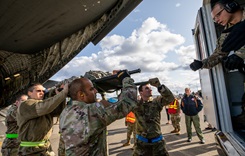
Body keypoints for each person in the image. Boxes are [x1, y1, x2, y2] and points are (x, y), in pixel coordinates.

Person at [59, 70, 138, 156]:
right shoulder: (92, 111)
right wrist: (126, 79)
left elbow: (63, 145)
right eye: (92, 89)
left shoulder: (65, 112)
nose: (96, 91)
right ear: (81, 94)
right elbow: (128, 102)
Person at [189, 0, 245, 71]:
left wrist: (240, 54)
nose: (217, 20)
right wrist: (202, 63)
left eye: (218, 15)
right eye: (214, 19)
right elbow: (219, 54)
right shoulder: (226, 33)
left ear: (231, 6)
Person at [17, 83, 68, 156]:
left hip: (45, 148)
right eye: (38, 91)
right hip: (30, 151)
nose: (42, 93)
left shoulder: (43, 105)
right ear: (29, 93)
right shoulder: (25, 104)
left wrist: (58, 94)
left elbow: (58, 111)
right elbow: (45, 106)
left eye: (43, 91)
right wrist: (63, 93)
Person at [133, 78, 174, 156]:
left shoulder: (156, 102)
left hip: (158, 144)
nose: (150, 89)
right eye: (147, 88)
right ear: (141, 92)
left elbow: (170, 99)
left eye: (150, 88)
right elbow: (122, 103)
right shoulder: (136, 105)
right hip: (142, 145)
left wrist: (159, 86)